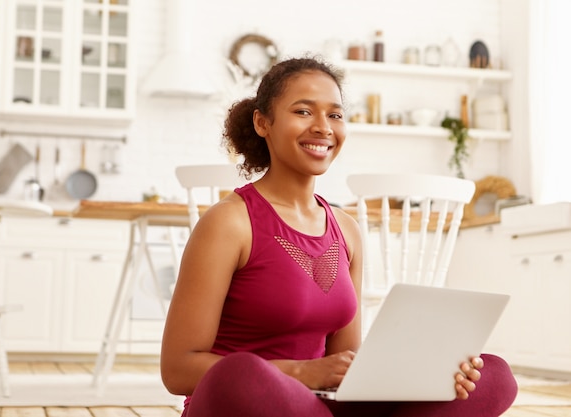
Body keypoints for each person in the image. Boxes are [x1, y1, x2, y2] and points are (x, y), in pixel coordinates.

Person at [160, 56, 518, 417]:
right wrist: (299, 372)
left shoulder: (346, 230)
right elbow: (177, 370)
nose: (323, 127)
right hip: (251, 401)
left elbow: (346, 367)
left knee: (493, 376)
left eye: (335, 115)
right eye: (303, 112)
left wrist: (430, 374)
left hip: (317, 407)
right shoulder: (230, 223)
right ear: (262, 122)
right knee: (242, 373)